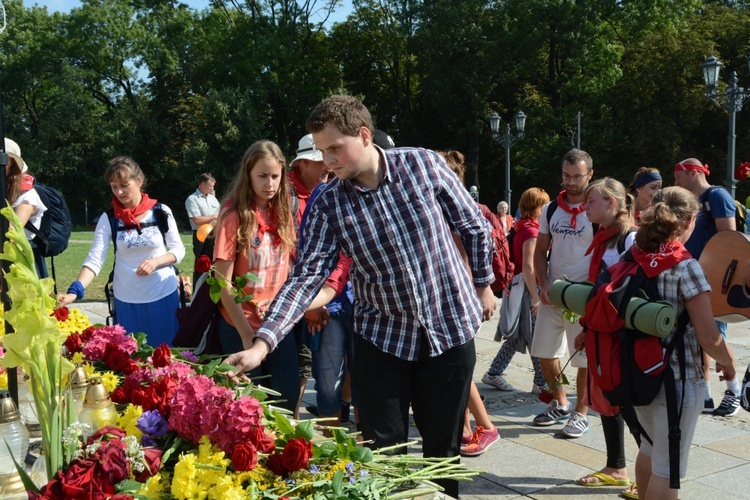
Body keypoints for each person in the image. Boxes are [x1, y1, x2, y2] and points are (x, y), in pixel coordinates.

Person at [225, 95, 496, 498]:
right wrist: (262, 345)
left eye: (335, 148)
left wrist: (483, 283)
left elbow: (473, 226)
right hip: (382, 340)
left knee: (442, 451)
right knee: (383, 452)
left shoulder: (422, 164)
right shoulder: (328, 203)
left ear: (364, 135)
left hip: (448, 332)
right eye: (321, 151)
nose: (328, 160)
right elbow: (305, 278)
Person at [629, 186, 736, 499]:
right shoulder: (685, 267)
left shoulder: (634, 255)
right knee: (668, 467)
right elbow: (709, 336)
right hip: (676, 380)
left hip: (637, 371)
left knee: (649, 448)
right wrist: (728, 362)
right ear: (690, 220)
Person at [58, 156, 185, 345]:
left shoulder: (160, 211)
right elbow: (95, 258)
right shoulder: (108, 218)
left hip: (162, 295)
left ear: (139, 182)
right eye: (113, 186)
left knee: (165, 359)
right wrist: (75, 291)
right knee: (130, 360)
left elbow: (179, 250)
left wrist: (156, 261)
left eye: (124, 185)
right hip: (126, 299)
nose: (118, 192)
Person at [213, 140, 299, 413]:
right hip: (241, 324)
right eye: (262, 176)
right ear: (248, 173)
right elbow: (221, 282)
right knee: (248, 406)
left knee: (285, 398)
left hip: (277, 324)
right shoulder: (233, 215)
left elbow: (290, 264)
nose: (270, 183)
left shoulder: (284, 209)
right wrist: (246, 334)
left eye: (275, 176)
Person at [575, 178, 638, 492]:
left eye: (591, 202)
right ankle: (616, 466)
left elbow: (634, 289)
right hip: (603, 332)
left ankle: (656, 475)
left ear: (612, 204)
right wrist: (588, 326)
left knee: (625, 401)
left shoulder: (630, 237)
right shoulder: (604, 235)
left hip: (623, 337)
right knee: (605, 398)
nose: (586, 207)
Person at [438, 149, 500, 457]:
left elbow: (471, 255)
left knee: (458, 369)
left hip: (458, 299)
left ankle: (485, 426)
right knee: (455, 369)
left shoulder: (458, 208)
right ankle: (464, 428)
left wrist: (482, 289)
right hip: (451, 298)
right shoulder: (447, 206)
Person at [530, 149, 595, 438]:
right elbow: (540, 250)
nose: (570, 182)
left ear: (590, 175)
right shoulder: (551, 209)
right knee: (544, 353)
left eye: (577, 176)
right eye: (566, 176)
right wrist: (543, 284)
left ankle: (581, 413)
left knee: (582, 359)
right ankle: (561, 401)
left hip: (582, 295)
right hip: (553, 293)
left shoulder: (596, 209)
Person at [674, 158, 741, 417]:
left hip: (714, 279)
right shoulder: (696, 200)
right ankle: (704, 394)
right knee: (702, 337)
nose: (675, 179)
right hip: (697, 276)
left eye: (678, 174)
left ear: (693, 172)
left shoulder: (717, 195)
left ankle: (734, 391)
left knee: (714, 336)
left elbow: (730, 240)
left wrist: (723, 281)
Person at [482, 187, 549, 395]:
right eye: (545, 204)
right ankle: (539, 381)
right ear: (538, 206)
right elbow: (529, 266)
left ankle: (495, 372)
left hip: (520, 285)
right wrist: (536, 297)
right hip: (529, 286)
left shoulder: (522, 227)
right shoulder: (531, 231)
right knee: (533, 336)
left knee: (519, 335)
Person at [4, 138, 48, 278]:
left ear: (11, 162)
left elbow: (11, 233)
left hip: (23, 262)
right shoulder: (3, 190)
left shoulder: (27, 196)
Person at [185, 173, 220, 284]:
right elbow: (196, 220)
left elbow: (221, 214)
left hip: (215, 233)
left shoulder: (213, 199)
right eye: (210, 186)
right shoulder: (192, 199)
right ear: (202, 184)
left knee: (215, 264)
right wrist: (213, 217)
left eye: (213, 186)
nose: (212, 188)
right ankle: (198, 293)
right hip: (201, 236)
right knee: (202, 265)